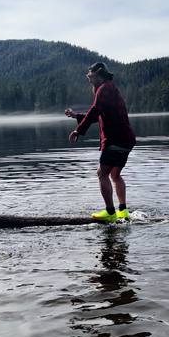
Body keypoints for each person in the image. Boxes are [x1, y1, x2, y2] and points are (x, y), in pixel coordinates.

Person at [65, 62, 136, 223]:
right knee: (115, 175)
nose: (89, 80)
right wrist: (77, 116)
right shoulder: (110, 88)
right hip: (126, 140)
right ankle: (123, 212)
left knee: (102, 173)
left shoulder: (104, 89)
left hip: (115, 140)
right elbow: (99, 115)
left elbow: (95, 111)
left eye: (90, 77)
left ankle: (110, 212)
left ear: (98, 74)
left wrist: (78, 131)